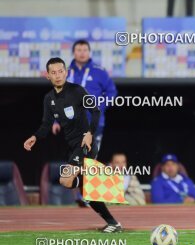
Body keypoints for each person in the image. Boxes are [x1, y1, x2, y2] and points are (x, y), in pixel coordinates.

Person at [23, 57, 122, 233]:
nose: (58, 75)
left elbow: (96, 110)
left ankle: (99, 182)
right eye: (53, 72)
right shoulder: (49, 99)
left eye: (60, 71)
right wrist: (35, 137)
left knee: (65, 179)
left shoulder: (77, 91)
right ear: (48, 76)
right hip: (71, 147)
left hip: (85, 145)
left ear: (66, 72)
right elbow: (46, 125)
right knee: (87, 192)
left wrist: (90, 133)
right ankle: (113, 223)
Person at [52, 39, 117, 152]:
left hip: (93, 122)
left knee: (91, 159)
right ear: (73, 52)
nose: (82, 53)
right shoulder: (65, 72)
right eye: (79, 50)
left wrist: (99, 108)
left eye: (85, 50)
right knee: (75, 160)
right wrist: (56, 121)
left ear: (89, 52)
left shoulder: (100, 72)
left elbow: (111, 92)